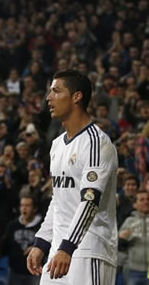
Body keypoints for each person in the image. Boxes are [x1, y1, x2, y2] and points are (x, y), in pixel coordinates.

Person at [27, 70, 119, 284]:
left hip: (89, 249)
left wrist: (69, 247)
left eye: (56, 91)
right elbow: (57, 198)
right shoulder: (57, 144)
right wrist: (42, 242)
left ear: (77, 97)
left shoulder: (97, 143)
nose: (48, 97)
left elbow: (90, 201)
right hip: (58, 251)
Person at [2, 195, 42, 285]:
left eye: (28, 205)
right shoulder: (12, 226)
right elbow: (4, 248)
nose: (24, 208)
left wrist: (38, 248)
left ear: (35, 208)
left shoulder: (42, 226)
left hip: (34, 274)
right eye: (22, 205)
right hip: (14, 273)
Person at [118, 190, 148, 285]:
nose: (146, 202)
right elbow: (120, 247)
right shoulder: (129, 221)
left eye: (148, 199)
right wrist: (122, 239)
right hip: (133, 270)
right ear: (134, 205)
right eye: (142, 200)